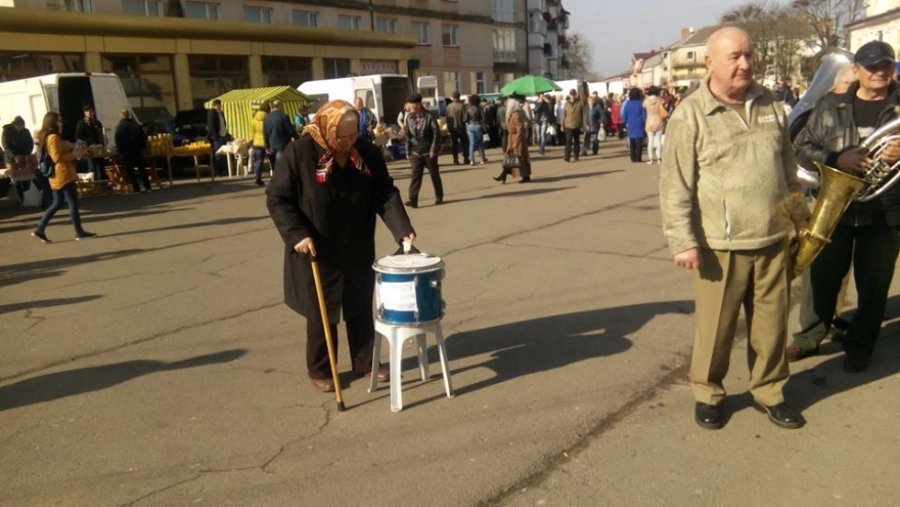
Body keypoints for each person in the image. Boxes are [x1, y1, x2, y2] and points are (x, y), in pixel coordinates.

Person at [659, 27, 810, 430]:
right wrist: (682, 241)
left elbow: (788, 170)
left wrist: (800, 217)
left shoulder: (771, 105)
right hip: (719, 245)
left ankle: (770, 391)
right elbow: (675, 184)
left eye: (749, 55)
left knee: (772, 327)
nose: (744, 64)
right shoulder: (691, 114)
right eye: (734, 57)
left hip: (773, 238)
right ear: (710, 62)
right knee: (716, 330)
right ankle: (708, 393)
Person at [266, 99, 416, 393]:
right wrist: (297, 235)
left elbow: (384, 193)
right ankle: (321, 368)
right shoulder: (300, 152)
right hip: (316, 246)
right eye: (342, 136)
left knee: (359, 303)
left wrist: (402, 230)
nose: (349, 142)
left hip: (356, 242)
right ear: (327, 127)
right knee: (322, 310)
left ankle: (366, 361)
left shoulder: (366, 152)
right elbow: (278, 199)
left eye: (353, 134)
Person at [787, 40, 900, 373]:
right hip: (836, 205)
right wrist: (836, 159)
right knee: (820, 277)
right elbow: (802, 146)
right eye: (871, 66)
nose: (878, 72)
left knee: (874, 283)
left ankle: (860, 345)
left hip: (886, 208)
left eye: (885, 65)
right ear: (857, 70)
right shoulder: (830, 104)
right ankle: (809, 337)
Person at [32, 111, 96, 243]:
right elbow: (57, 158)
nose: (61, 123)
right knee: (72, 203)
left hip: (58, 175)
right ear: (52, 123)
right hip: (63, 174)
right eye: (59, 121)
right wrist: (74, 155)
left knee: (57, 203)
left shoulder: (50, 136)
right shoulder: (53, 137)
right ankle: (79, 232)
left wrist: (75, 151)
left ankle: (40, 229)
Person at [402, 93, 443, 208]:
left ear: (418, 105)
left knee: (434, 174)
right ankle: (413, 199)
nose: (409, 108)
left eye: (411, 106)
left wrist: (433, 149)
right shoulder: (409, 118)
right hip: (415, 152)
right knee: (415, 176)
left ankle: (439, 196)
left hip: (428, 151)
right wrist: (408, 151)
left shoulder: (429, 116)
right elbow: (407, 136)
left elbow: (436, 134)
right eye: (409, 106)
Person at [494, 96, 531, 184]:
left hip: (517, 139)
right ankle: (504, 174)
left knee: (519, 158)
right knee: (511, 157)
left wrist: (516, 142)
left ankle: (524, 175)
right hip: (512, 137)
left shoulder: (515, 115)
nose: (506, 105)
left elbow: (519, 129)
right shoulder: (513, 114)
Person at [2, 116, 39, 203]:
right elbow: (6, 146)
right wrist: (14, 156)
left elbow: (30, 144)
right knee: (16, 177)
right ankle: (20, 197)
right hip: (11, 159)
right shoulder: (7, 132)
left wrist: (26, 154)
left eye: (22, 126)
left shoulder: (26, 131)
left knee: (25, 175)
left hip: (24, 157)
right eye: (19, 126)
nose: (20, 128)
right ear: (14, 125)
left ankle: (27, 195)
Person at [113, 109, 150, 193]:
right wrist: (143, 148)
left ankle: (136, 188)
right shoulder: (135, 125)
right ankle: (147, 186)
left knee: (130, 171)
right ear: (129, 115)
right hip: (137, 151)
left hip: (126, 152)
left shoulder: (120, 127)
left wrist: (120, 151)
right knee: (142, 169)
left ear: (121, 116)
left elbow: (118, 139)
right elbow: (143, 137)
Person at [74, 105, 105, 180]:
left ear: (93, 112)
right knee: (92, 167)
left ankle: (102, 182)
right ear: (84, 113)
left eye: (90, 111)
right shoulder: (82, 123)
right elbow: (78, 136)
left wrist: (102, 144)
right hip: (89, 148)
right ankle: (93, 183)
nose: (89, 113)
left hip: (98, 147)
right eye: (87, 111)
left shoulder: (97, 122)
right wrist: (88, 142)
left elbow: (100, 134)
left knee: (100, 166)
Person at [264, 99, 298, 165]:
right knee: (280, 162)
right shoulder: (283, 116)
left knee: (274, 162)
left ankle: (276, 170)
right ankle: (280, 170)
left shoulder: (267, 117)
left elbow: (265, 133)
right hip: (282, 143)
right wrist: (296, 138)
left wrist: (267, 145)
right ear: (279, 106)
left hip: (271, 144)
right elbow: (290, 130)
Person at [643, 86, 668, 164]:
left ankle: (650, 158)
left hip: (649, 121)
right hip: (659, 121)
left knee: (650, 141)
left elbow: (643, 107)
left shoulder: (646, 101)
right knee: (658, 141)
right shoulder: (660, 100)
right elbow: (664, 108)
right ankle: (659, 158)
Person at [621, 88, 646, 163]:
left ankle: (632, 157)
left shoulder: (628, 103)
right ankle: (638, 157)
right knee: (639, 141)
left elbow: (624, 114)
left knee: (631, 141)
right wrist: (643, 121)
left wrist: (624, 122)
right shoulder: (640, 103)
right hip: (639, 123)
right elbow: (644, 114)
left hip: (630, 123)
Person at [444, 92, 469, 165]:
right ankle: (466, 159)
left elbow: (447, 118)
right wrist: (463, 121)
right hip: (461, 127)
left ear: (452, 97)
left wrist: (449, 127)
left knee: (454, 144)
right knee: (464, 144)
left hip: (452, 128)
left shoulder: (448, 106)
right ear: (459, 97)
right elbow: (465, 118)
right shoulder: (462, 106)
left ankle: (455, 160)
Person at [207, 99, 230, 176]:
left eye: (220, 105)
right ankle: (218, 171)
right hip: (217, 137)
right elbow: (211, 126)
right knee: (218, 154)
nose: (220, 106)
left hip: (223, 135)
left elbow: (223, 123)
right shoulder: (212, 113)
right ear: (214, 105)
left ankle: (224, 170)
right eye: (219, 105)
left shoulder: (221, 113)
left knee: (224, 154)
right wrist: (214, 136)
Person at [561, 89, 585, 162]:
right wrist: (562, 125)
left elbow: (583, 115)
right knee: (568, 141)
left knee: (576, 141)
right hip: (568, 125)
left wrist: (583, 125)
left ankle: (576, 156)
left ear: (575, 95)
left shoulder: (579, 103)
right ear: (569, 95)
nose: (572, 96)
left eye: (573, 94)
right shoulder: (566, 104)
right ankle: (567, 156)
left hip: (577, 125)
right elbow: (563, 115)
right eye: (571, 94)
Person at [250, 102, 270, 186]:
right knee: (272, 161)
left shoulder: (254, 119)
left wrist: (251, 140)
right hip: (267, 142)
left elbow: (252, 132)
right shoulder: (268, 118)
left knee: (258, 161)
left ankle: (257, 178)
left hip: (257, 142)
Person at [465, 94, 487, 165]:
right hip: (478, 126)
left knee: (471, 143)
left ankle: (471, 160)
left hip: (470, 126)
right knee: (480, 143)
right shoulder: (479, 108)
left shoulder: (468, 109)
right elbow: (484, 118)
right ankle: (482, 159)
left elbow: (465, 119)